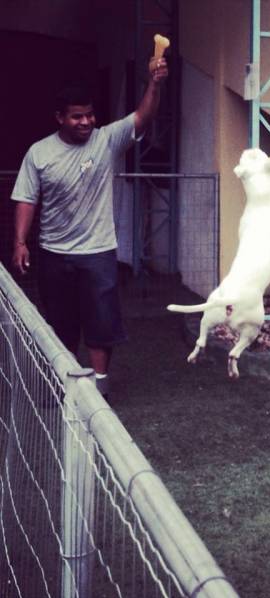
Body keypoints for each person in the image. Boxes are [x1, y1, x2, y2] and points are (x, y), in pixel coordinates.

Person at [11, 55, 169, 398]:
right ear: (60, 118)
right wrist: (20, 242)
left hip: (98, 252)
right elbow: (26, 198)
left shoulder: (105, 140)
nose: (86, 122)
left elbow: (142, 118)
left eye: (90, 115)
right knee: (61, 326)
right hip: (54, 254)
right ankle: (62, 386)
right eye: (77, 116)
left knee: (101, 325)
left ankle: (99, 390)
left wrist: (154, 83)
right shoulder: (39, 153)